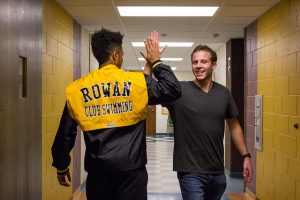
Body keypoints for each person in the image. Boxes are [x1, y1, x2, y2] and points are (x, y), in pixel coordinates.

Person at [51, 28, 181, 200]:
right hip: (131, 174)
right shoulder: (136, 82)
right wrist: (156, 61)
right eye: (122, 53)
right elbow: (172, 89)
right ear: (115, 55)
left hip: (98, 175)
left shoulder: (77, 89)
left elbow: (64, 134)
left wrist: (62, 165)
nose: (122, 57)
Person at [145, 44, 253, 200]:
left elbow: (234, 126)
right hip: (190, 172)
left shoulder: (224, 93)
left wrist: (246, 156)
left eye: (203, 62)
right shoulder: (178, 91)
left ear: (213, 65)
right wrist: (150, 63)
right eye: (195, 62)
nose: (198, 66)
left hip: (217, 172)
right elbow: (147, 91)